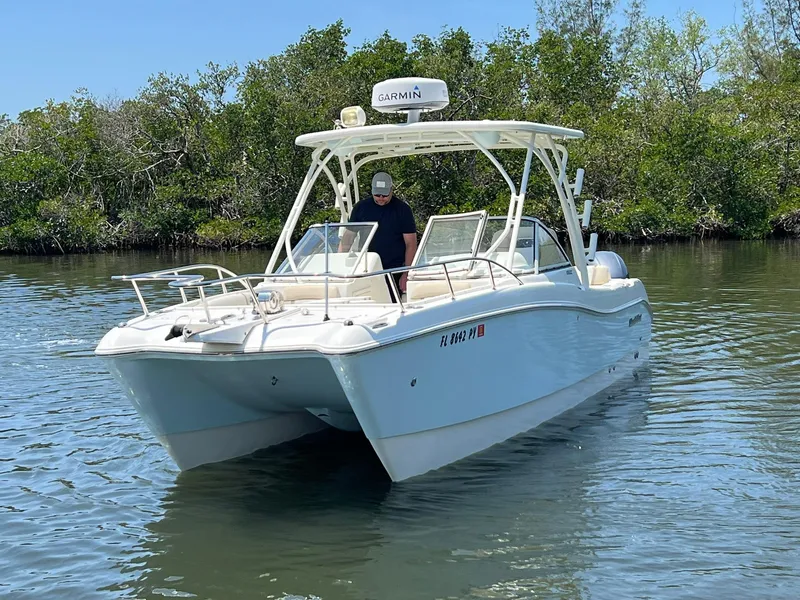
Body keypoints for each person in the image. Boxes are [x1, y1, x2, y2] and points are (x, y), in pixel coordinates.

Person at [338, 172, 417, 301]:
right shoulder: (360, 208)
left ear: (391, 190)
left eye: (384, 195)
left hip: (395, 268)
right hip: (367, 268)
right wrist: (339, 266)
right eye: (377, 194)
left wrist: (406, 273)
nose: (381, 198)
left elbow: (411, 244)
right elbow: (347, 239)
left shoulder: (403, 210)